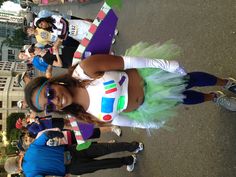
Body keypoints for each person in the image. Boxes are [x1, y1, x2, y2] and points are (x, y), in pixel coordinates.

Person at [24, 42, 236, 129]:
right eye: (49, 106)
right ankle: (214, 97)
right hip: (149, 104)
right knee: (182, 99)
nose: (55, 100)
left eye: (49, 93)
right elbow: (120, 119)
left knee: (189, 80)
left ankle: (226, 82)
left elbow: (128, 62)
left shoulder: (86, 69)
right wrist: (145, 125)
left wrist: (164, 64)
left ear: (52, 82)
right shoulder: (83, 115)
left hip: (152, 79)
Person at [4, 130, 143, 176]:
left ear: (17, 170)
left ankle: (129, 160)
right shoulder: (32, 148)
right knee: (104, 148)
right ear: (18, 156)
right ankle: (134, 146)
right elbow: (46, 136)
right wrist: (58, 133)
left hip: (72, 167)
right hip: (72, 149)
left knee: (103, 164)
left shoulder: (30, 174)